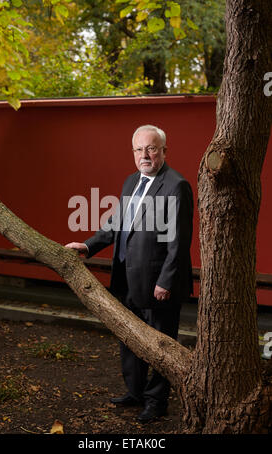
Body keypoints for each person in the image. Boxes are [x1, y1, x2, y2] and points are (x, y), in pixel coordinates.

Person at [65, 124, 193, 423]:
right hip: (126, 277)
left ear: (163, 151)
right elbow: (117, 223)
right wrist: (88, 245)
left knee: (159, 345)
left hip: (158, 284)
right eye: (139, 149)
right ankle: (134, 391)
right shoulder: (131, 181)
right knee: (129, 337)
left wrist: (166, 281)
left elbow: (179, 240)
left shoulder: (176, 185)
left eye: (151, 148)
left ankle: (156, 402)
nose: (145, 155)